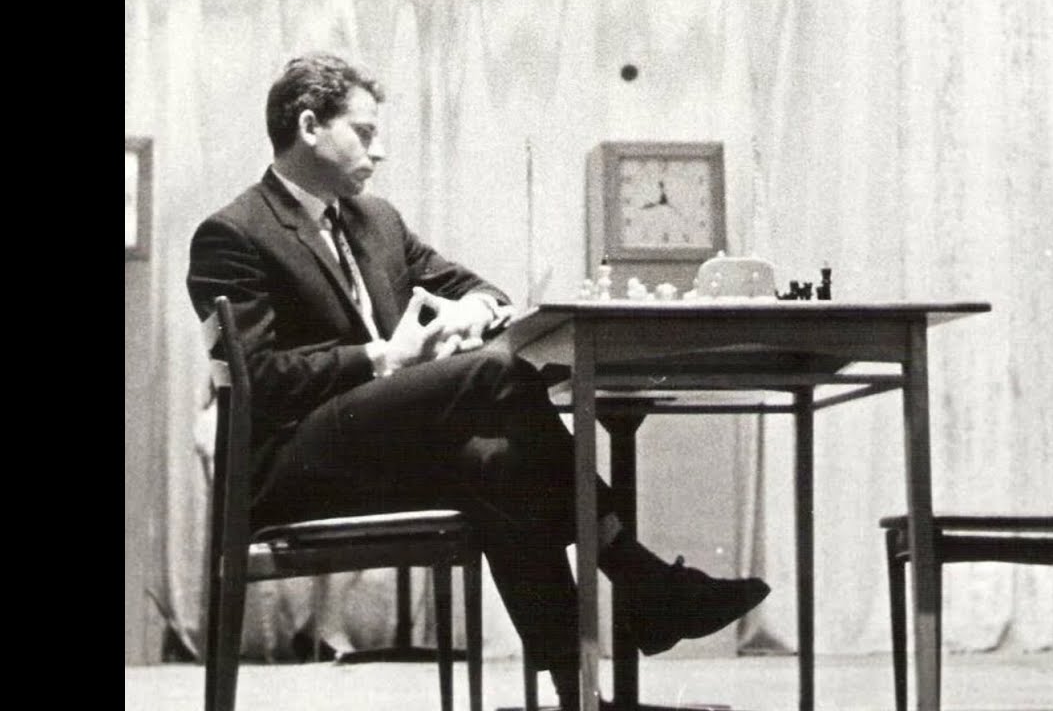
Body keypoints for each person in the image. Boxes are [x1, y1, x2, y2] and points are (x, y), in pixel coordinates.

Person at [187, 52, 769, 710]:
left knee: (500, 460)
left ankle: (578, 694)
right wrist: (383, 357)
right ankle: (640, 577)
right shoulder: (233, 234)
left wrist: (473, 309)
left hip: (379, 457)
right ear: (309, 126)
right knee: (496, 371)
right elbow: (259, 380)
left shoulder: (376, 220)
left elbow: (483, 290)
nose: (380, 151)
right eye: (365, 133)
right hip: (292, 467)